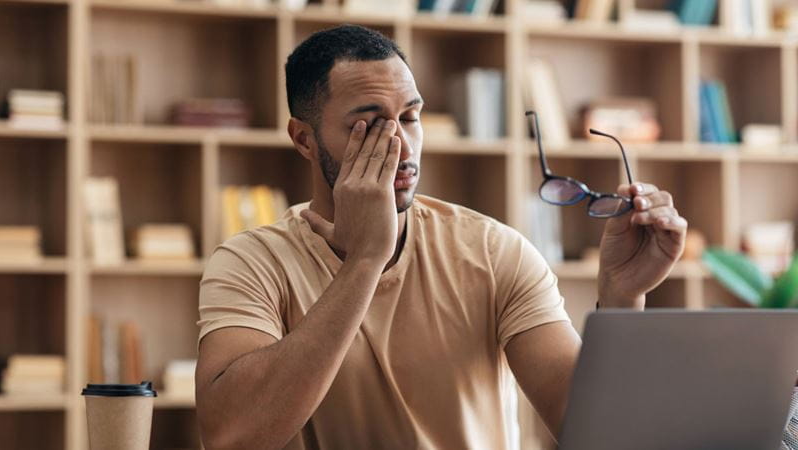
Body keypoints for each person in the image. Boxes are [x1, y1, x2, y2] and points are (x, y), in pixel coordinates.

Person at [195, 25, 688, 449]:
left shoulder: (494, 250)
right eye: (367, 127)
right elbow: (231, 437)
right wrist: (366, 259)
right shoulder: (250, 262)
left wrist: (623, 298)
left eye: (410, 118)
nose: (401, 145)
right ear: (304, 139)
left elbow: (594, 434)